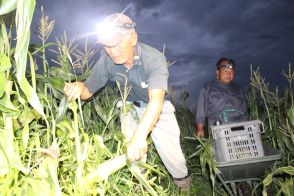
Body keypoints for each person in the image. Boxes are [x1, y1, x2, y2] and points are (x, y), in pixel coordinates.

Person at [63, 13, 191, 188]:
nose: (111, 50)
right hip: (129, 106)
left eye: (116, 43)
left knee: (173, 156)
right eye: (107, 45)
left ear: (133, 38)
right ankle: (140, 185)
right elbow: (87, 92)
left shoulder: (154, 59)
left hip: (157, 108)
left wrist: (140, 136)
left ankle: (184, 186)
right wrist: (78, 86)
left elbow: (156, 101)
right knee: (132, 150)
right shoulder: (106, 62)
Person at [195, 57, 249, 137]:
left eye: (231, 71)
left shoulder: (238, 89)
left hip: (240, 130)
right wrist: (200, 129)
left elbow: (245, 111)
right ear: (217, 72)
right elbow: (201, 111)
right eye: (225, 71)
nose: (228, 74)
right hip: (220, 131)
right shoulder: (208, 88)